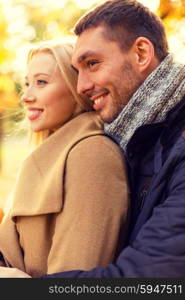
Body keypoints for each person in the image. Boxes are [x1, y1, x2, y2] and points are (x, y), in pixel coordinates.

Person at [43, 0, 185, 277]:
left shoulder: (175, 144)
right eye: (77, 71)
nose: (81, 86)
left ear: (141, 53)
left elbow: (145, 282)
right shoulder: (135, 142)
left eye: (92, 63)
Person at [0, 41, 130, 277]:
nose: (26, 96)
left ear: (76, 88)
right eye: (27, 83)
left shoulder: (92, 155)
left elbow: (73, 283)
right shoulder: (47, 157)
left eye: (41, 82)